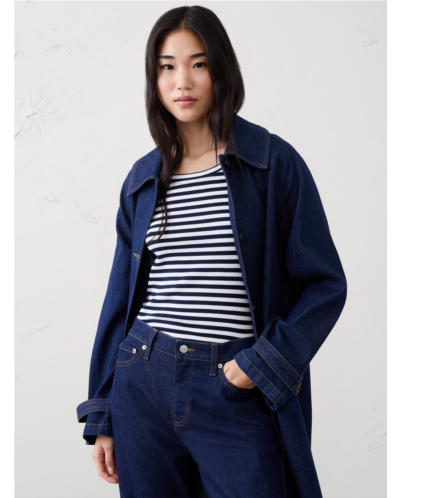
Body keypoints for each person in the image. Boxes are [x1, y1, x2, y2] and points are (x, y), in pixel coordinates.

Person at [77, 6, 347, 498]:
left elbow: (324, 284)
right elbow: (119, 302)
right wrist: (104, 411)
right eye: (167, 66)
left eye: (198, 64)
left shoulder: (271, 163)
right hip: (143, 382)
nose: (182, 81)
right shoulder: (143, 179)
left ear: (222, 69)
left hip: (232, 386)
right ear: (154, 78)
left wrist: (261, 364)